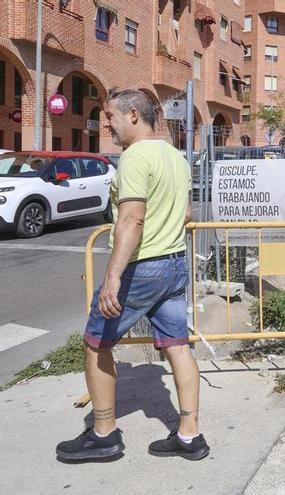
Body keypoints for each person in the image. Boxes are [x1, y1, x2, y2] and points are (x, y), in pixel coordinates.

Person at [56, 88, 208, 462]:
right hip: (174, 264)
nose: (106, 123)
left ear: (134, 115)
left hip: (143, 267)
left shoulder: (135, 158)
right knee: (177, 346)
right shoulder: (176, 157)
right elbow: (186, 213)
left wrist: (112, 278)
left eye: (110, 116)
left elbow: (132, 219)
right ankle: (190, 435)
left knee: (95, 343)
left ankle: (104, 434)